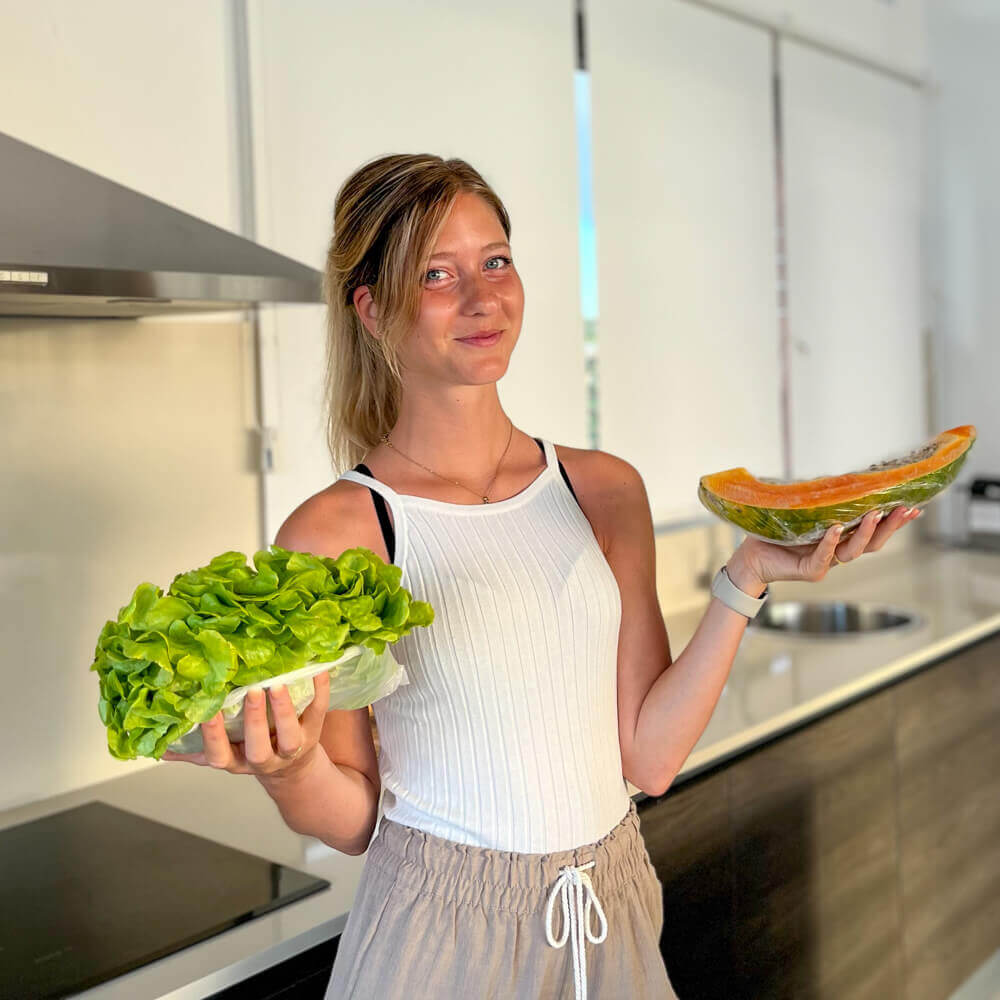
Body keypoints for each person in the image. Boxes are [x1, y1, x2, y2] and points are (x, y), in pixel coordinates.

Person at [162, 153, 921, 998]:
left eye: (496, 261)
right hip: (437, 934)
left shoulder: (601, 488)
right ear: (372, 312)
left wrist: (746, 577)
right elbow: (354, 820)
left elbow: (651, 755)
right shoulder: (339, 530)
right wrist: (290, 767)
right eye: (437, 275)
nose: (483, 298)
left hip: (612, 906)